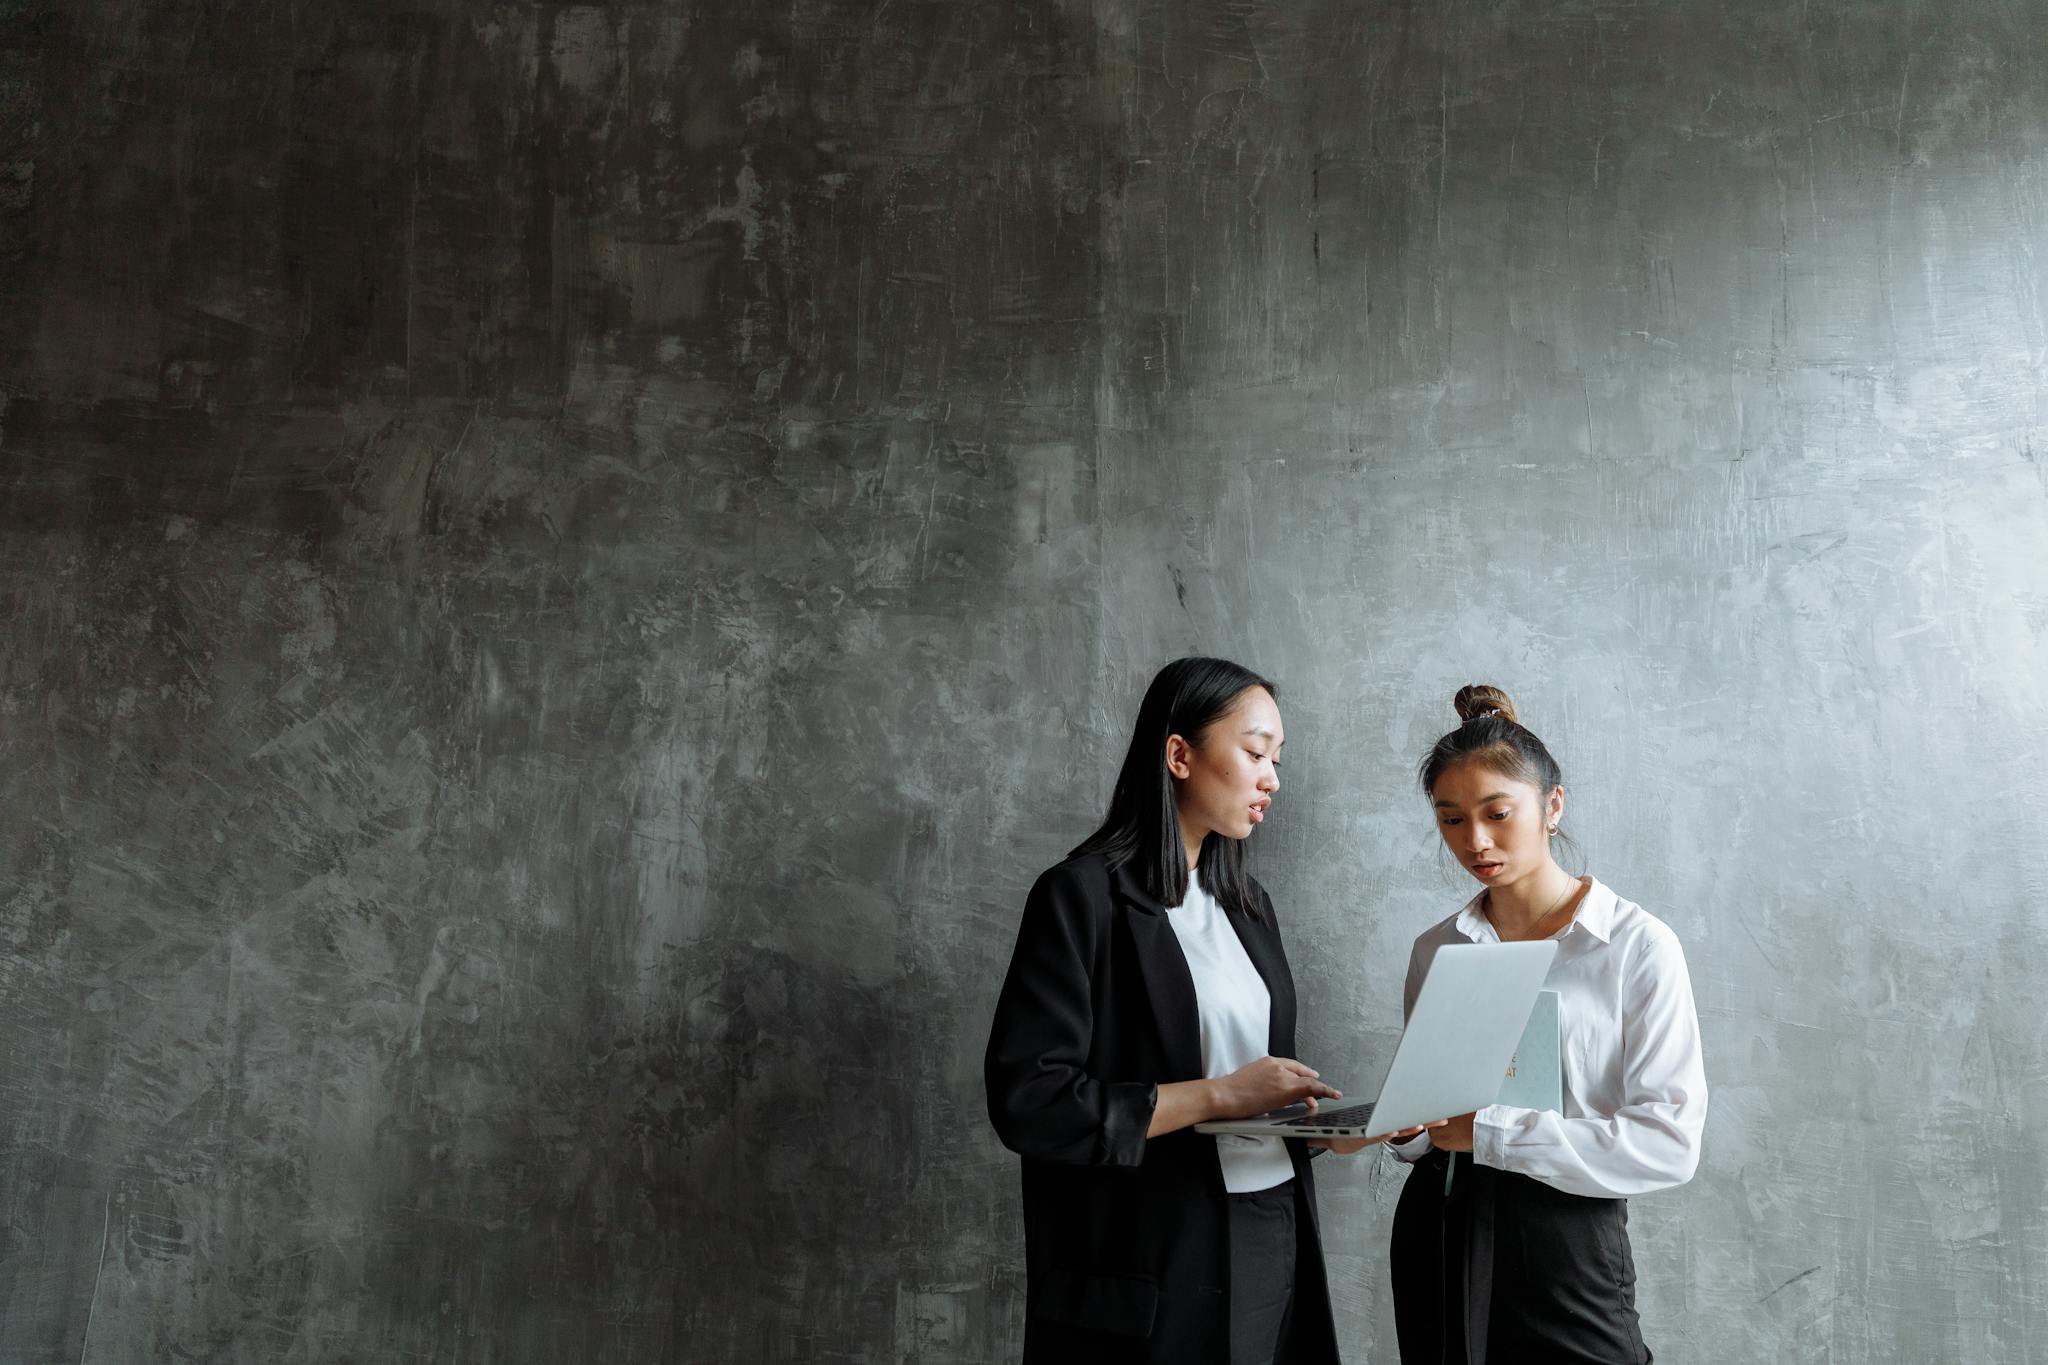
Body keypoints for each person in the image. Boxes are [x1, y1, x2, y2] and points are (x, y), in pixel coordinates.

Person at [985, 657, 1422, 1365]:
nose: (1272, 776)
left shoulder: (1249, 909)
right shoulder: (1080, 897)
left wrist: (1328, 1131)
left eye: (1277, 758)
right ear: (1179, 754)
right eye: (1255, 752)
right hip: (1152, 1258)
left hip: (1275, 1223)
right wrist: (1220, 1093)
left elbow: (1245, 1101)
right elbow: (1030, 1102)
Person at [1385, 684, 1709, 1364]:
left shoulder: (1634, 945)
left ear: (1552, 805)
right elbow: (1430, 1115)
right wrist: (1408, 1128)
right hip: (1443, 1220)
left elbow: (1670, 1141)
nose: (1474, 840)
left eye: (1497, 813)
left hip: (1566, 1233)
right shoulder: (1436, 948)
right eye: (1450, 819)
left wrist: (1493, 1132)